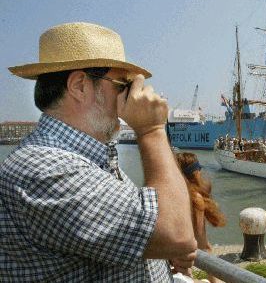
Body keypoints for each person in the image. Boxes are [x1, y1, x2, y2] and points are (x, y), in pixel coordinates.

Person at [0, 22, 197, 282]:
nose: (128, 97)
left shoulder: (89, 158)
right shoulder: (44, 168)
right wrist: (151, 130)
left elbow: (154, 231)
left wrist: (158, 249)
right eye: (121, 85)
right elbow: (177, 233)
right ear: (80, 86)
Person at [175, 153, 226, 283]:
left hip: (177, 241)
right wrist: (204, 246)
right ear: (195, 172)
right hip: (189, 243)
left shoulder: (177, 193)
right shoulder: (196, 198)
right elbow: (199, 232)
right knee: (207, 248)